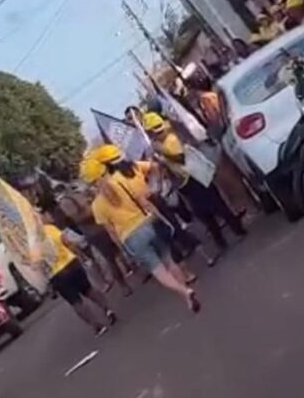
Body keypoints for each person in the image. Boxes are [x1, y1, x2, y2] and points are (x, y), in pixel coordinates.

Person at [83, 146, 200, 314]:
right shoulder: (120, 182)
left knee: (158, 271)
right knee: (169, 261)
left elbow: (112, 232)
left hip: (131, 238)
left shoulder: (96, 207)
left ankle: (184, 293)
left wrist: (124, 250)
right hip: (148, 223)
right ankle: (185, 288)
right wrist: (162, 219)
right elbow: (145, 202)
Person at [143, 113, 245, 259]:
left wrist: (163, 154)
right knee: (204, 212)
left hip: (194, 177)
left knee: (215, 206)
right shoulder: (164, 140)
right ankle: (222, 240)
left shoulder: (170, 140)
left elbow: (180, 157)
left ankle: (236, 231)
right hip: (185, 181)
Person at [42, 214, 117, 336]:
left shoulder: (29, 244)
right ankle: (107, 309)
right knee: (88, 289)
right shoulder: (49, 229)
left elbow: (37, 265)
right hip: (70, 263)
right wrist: (81, 256)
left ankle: (97, 325)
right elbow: (67, 243)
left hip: (56, 273)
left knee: (76, 302)